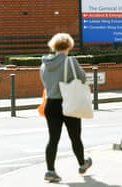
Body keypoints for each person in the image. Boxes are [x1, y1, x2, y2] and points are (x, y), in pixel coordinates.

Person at [40, 33, 92, 183]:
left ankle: (50, 170)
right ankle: (82, 164)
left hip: (51, 103)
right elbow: (82, 78)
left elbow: (45, 83)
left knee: (53, 139)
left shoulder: (44, 63)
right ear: (69, 46)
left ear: (53, 46)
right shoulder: (70, 61)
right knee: (75, 137)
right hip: (69, 102)